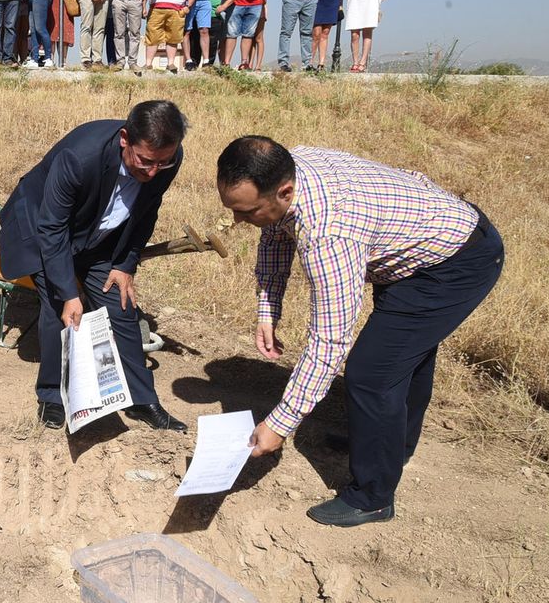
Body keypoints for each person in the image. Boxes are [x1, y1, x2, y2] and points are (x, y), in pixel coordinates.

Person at [216, 136, 504, 527]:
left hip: (453, 263)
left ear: (284, 190)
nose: (238, 221)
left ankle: (373, 497)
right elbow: (275, 231)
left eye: (246, 212)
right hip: (417, 248)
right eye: (234, 210)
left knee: (372, 373)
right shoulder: (286, 170)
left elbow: (329, 341)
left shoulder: (329, 232)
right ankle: (389, 445)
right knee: (400, 359)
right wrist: (268, 310)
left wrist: (279, 424)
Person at [0, 100, 191, 432]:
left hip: (97, 231)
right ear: (125, 139)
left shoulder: (166, 159)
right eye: (145, 161)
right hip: (42, 224)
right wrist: (70, 292)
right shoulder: (80, 157)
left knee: (121, 306)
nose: (154, 171)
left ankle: (142, 400)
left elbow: (147, 211)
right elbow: (52, 228)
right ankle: (52, 396)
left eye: (162, 162)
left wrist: (125, 263)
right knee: (58, 306)